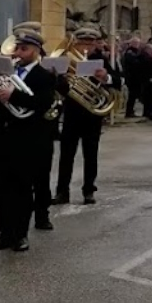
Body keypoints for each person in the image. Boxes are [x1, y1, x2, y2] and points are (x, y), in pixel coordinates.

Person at [0, 29, 58, 251]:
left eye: (23, 48)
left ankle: (20, 234)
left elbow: (43, 103)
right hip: (2, 138)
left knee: (22, 189)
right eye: (17, 48)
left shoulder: (44, 75)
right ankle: (4, 234)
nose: (18, 52)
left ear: (35, 52)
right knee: (1, 189)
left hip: (27, 140)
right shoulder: (6, 72)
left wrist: (13, 95)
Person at [56, 27, 120, 204]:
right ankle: (62, 191)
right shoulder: (67, 60)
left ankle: (89, 190)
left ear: (95, 45)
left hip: (92, 114)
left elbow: (118, 80)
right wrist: (60, 77)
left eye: (89, 44)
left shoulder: (101, 60)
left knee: (90, 155)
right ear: (75, 43)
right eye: (82, 43)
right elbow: (60, 88)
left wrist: (105, 77)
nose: (85, 47)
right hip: (72, 111)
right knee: (66, 154)